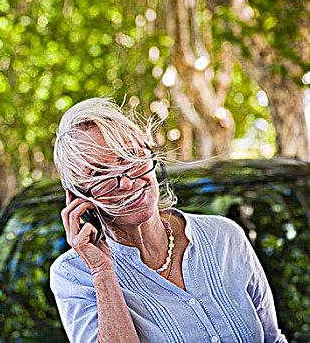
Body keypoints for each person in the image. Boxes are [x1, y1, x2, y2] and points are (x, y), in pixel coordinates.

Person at [50, 98, 286, 343]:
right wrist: (102, 271)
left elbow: (272, 339)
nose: (127, 182)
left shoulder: (225, 236)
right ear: (77, 196)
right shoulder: (73, 275)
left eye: (132, 157)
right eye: (100, 174)